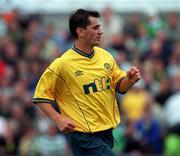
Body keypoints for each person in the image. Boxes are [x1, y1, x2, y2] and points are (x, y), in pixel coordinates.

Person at [33, 9, 141, 156]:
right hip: (83, 135)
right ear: (81, 31)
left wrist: (129, 80)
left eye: (100, 27)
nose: (101, 31)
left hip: (106, 132)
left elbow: (119, 86)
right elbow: (40, 96)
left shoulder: (105, 56)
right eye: (96, 28)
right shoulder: (63, 63)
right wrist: (58, 119)